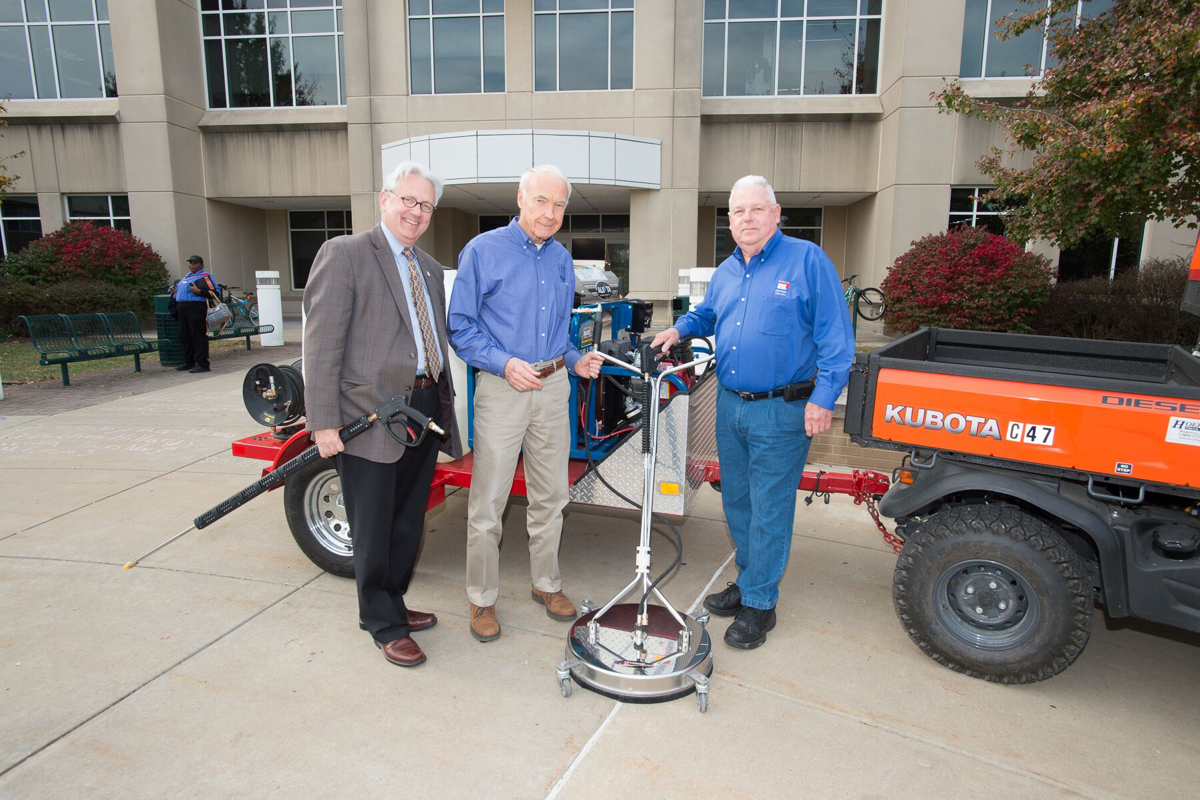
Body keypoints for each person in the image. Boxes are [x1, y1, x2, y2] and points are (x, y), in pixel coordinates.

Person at [651, 175, 855, 650]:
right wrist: (677, 329)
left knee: (770, 508)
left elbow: (836, 340)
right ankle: (748, 581)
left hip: (782, 411)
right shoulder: (726, 271)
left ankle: (761, 604)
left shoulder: (807, 260)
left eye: (756, 210)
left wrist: (824, 399)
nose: (747, 219)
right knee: (737, 500)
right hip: (731, 405)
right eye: (738, 211)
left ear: (776, 213)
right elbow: (707, 315)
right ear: (729, 220)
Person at [303, 162, 462, 668]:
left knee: (407, 519)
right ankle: (382, 622)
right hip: (368, 414)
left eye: (425, 206)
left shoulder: (431, 268)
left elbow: (433, 338)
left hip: (422, 406)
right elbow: (322, 343)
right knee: (372, 522)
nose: (416, 213)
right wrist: (323, 423)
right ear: (384, 199)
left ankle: (393, 600)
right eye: (408, 201)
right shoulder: (346, 254)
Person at [447, 164, 603, 643]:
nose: (550, 213)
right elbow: (460, 326)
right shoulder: (483, 251)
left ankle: (546, 584)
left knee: (552, 496)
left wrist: (576, 359)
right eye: (541, 201)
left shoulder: (561, 259)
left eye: (559, 205)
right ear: (520, 198)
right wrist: (502, 362)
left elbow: (560, 331)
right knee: (489, 501)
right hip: (503, 387)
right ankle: (481, 599)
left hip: (554, 388)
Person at [173, 255, 218, 374]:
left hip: (196, 308)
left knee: (198, 336)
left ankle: (203, 364)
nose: (192, 265)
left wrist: (199, 292)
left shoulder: (205, 276)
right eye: (190, 263)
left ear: (201, 265)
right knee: (184, 335)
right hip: (183, 309)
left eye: (195, 263)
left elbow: (215, 292)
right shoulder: (186, 277)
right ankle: (189, 362)